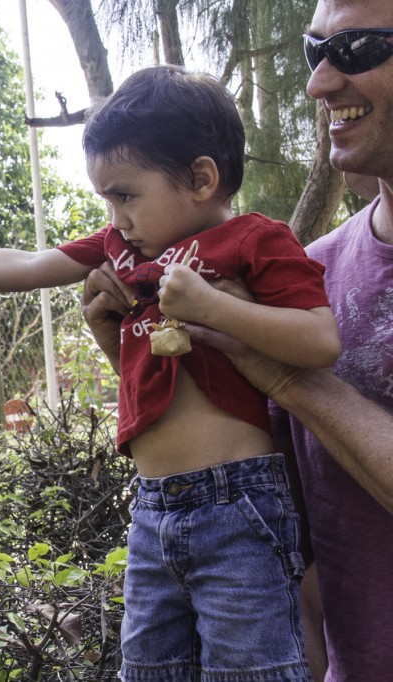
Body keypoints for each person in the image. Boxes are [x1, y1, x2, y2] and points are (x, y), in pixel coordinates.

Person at [0, 64, 343, 680]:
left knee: (254, 669)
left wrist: (212, 307)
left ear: (200, 178)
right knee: (147, 667)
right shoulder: (122, 249)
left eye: (125, 194)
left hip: (239, 503)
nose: (115, 217)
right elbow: (30, 264)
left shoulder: (256, 240)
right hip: (152, 508)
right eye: (105, 200)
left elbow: (319, 338)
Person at [80, 5, 393, 679]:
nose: (319, 82)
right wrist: (135, 342)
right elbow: (279, 511)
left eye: (361, 46)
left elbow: (289, 383)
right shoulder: (314, 269)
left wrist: (282, 374)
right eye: (315, 52)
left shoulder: (269, 294)